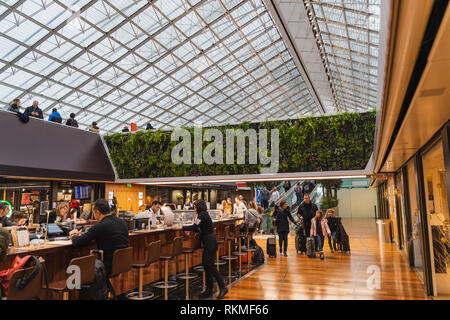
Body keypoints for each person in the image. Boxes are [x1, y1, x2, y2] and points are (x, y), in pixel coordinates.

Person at [69, 199, 129, 276]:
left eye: (93, 212)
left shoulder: (100, 226)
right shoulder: (122, 222)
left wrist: (73, 235)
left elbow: (78, 242)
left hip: (107, 265)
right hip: (123, 261)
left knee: (78, 268)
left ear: (97, 212)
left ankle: (79, 287)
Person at [182, 199, 227, 299]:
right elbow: (199, 227)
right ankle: (209, 290)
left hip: (210, 243)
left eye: (194, 207)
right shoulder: (203, 214)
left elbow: (195, 227)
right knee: (206, 266)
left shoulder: (202, 215)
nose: (194, 209)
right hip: (209, 242)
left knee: (209, 266)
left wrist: (182, 228)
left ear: (198, 207)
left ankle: (223, 287)